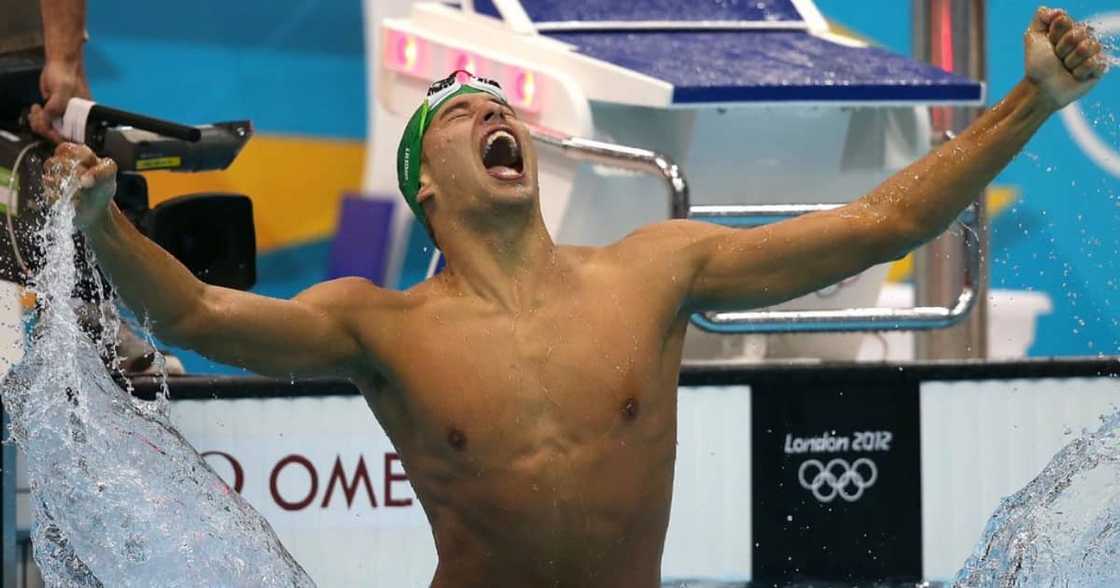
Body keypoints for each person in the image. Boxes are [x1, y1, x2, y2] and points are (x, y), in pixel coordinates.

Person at [44, 8, 1108, 587]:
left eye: (501, 103)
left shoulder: (653, 271)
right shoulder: (382, 326)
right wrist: (103, 225)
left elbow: (883, 226)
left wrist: (1032, 97)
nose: (493, 112)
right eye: (463, 111)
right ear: (425, 182)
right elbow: (191, 316)